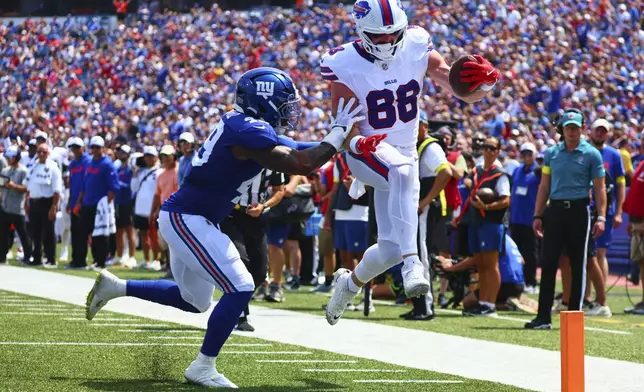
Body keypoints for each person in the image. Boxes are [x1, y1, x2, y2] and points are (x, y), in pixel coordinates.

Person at [84, 67, 377, 388]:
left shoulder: (241, 123)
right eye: (283, 104)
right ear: (262, 102)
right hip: (188, 218)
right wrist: (336, 136)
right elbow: (302, 163)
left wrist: (345, 142)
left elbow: (297, 144)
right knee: (240, 286)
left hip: (190, 217)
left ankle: (116, 287)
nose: (287, 112)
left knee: (193, 300)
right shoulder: (246, 129)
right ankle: (202, 366)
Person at [323, 0, 500, 324]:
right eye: (380, 36)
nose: (389, 41)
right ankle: (412, 263)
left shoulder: (417, 43)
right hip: (365, 152)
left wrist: (482, 85)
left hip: (402, 153)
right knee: (403, 173)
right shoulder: (344, 63)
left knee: (388, 247)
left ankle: (348, 285)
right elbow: (342, 130)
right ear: (362, 32)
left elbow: (459, 89)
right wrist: (359, 142)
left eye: (394, 33)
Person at [527, 109, 607, 330]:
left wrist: (601, 217)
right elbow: (544, 186)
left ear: (582, 128)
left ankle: (573, 317)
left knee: (578, 263)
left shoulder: (592, 154)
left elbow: (600, 189)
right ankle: (543, 317)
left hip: (579, 212)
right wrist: (538, 214)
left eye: (575, 127)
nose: (571, 131)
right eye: (568, 127)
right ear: (562, 129)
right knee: (549, 263)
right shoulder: (552, 153)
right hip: (555, 211)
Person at [219, 167, 286, 331]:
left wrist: (263, 206)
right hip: (231, 215)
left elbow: (279, 190)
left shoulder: (273, 160)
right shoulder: (237, 155)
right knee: (241, 261)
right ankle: (240, 316)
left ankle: (232, 302)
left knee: (260, 273)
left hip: (256, 217)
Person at [458, 137, 511, 317]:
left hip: (492, 222)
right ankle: (482, 302)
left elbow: (506, 200)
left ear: (497, 151)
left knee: (491, 264)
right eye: (485, 147)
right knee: (480, 264)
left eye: (492, 148)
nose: (488, 150)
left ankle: (490, 304)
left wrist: (486, 207)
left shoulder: (499, 173)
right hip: (476, 221)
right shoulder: (477, 171)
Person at [406, 122, 453, 320]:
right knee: (414, 254)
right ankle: (418, 304)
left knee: (421, 255)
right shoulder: (414, 145)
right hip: (416, 208)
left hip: (425, 208)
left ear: (423, 126)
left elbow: (446, 172)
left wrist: (425, 200)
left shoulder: (431, 146)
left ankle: (425, 306)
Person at [73, 136, 120, 270]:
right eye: (92, 147)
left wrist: (105, 204)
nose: (95, 150)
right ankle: (80, 261)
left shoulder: (107, 164)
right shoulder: (89, 163)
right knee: (82, 233)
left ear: (103, 148)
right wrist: (79, 202)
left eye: (97, 147)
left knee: (100, 235)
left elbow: (114, 187)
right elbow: (84, 185)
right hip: (87, 203)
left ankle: (100, 262)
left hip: (100, 205)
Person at [25, 144, 63, 268]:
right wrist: (26, 202)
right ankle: (36, 257)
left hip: (47, 202)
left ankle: (51, 258)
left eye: (44, 152)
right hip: (34, 202)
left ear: (48, 153)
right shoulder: (33, 166)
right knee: (35, 231)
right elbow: (28, 185)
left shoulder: (53, 168)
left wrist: (53, 207)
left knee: (48, 231)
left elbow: (57, 190)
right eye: (39, 151)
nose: (41, 154)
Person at [510, 142, 541, 293]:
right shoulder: (517, 170)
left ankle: (531, 282)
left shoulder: (538, 172)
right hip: (516, 218)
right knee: (516, 253)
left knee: (530, 253)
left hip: (530, 219)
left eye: (530, 154)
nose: (527, 157)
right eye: (524, 154)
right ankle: (518, 281)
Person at [0, 146, 32, 265]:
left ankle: (29, 256)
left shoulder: (23, 171)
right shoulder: (5, 171)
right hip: (5, 206)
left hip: (17, 207)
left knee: (23, 233)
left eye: (11, 157)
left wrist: (13, 186)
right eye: (7, 157)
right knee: (2, 234)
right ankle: (2, 256)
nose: (8, 159)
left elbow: (26, 188)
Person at [66, 137, 92, 270]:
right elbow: (71, 184)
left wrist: (79, 202)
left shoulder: (88, 161)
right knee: (74, 232)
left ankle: (81, 261)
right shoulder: (72, 164)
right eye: (73, 148)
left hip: (83, 203)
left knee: (82, 233)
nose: (75, 150)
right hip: (73, 202)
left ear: (83, 147)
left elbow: (85, 184)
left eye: (77, 147)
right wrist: (69, 202)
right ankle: (75, 259)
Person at [114, 145, 137, 268]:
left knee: (129, 229)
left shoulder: (130, 169)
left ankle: (132, 256)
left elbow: (130, 186)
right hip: (118, 201)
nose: (120, 154)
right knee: (119, 230)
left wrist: (117, 183)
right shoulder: (118, 168)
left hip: (127, 202)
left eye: (123, 152)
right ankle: (120, 255)